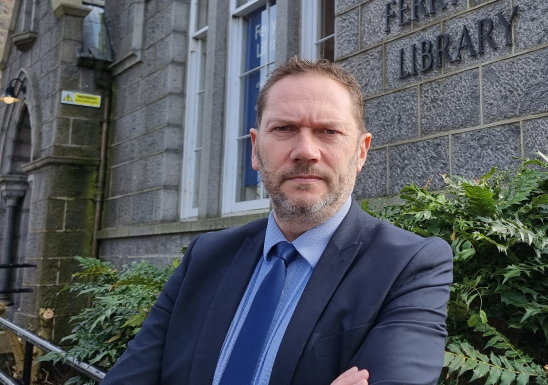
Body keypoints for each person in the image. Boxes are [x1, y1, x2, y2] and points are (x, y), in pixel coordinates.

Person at [101, 57, 453, 385]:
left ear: (360, 152)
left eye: (329, 132)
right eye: (284, 128)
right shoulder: (206, 256)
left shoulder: (409, 265)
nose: (306, 151)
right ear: (255, 149)